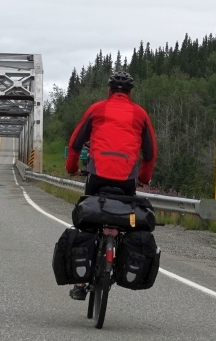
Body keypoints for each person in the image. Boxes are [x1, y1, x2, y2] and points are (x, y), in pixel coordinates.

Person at [64, 71, 158, 300]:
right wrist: (144, 179)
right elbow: (150, 153)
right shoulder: (140, 114)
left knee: (87, 222)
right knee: (127, 221)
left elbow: (75, 143)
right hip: (126, 179)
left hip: (97, 175)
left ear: (109, 90)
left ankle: (80, 282)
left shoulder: (97, 109)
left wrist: (71, 168)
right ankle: (120, 259)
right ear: (129, 93)